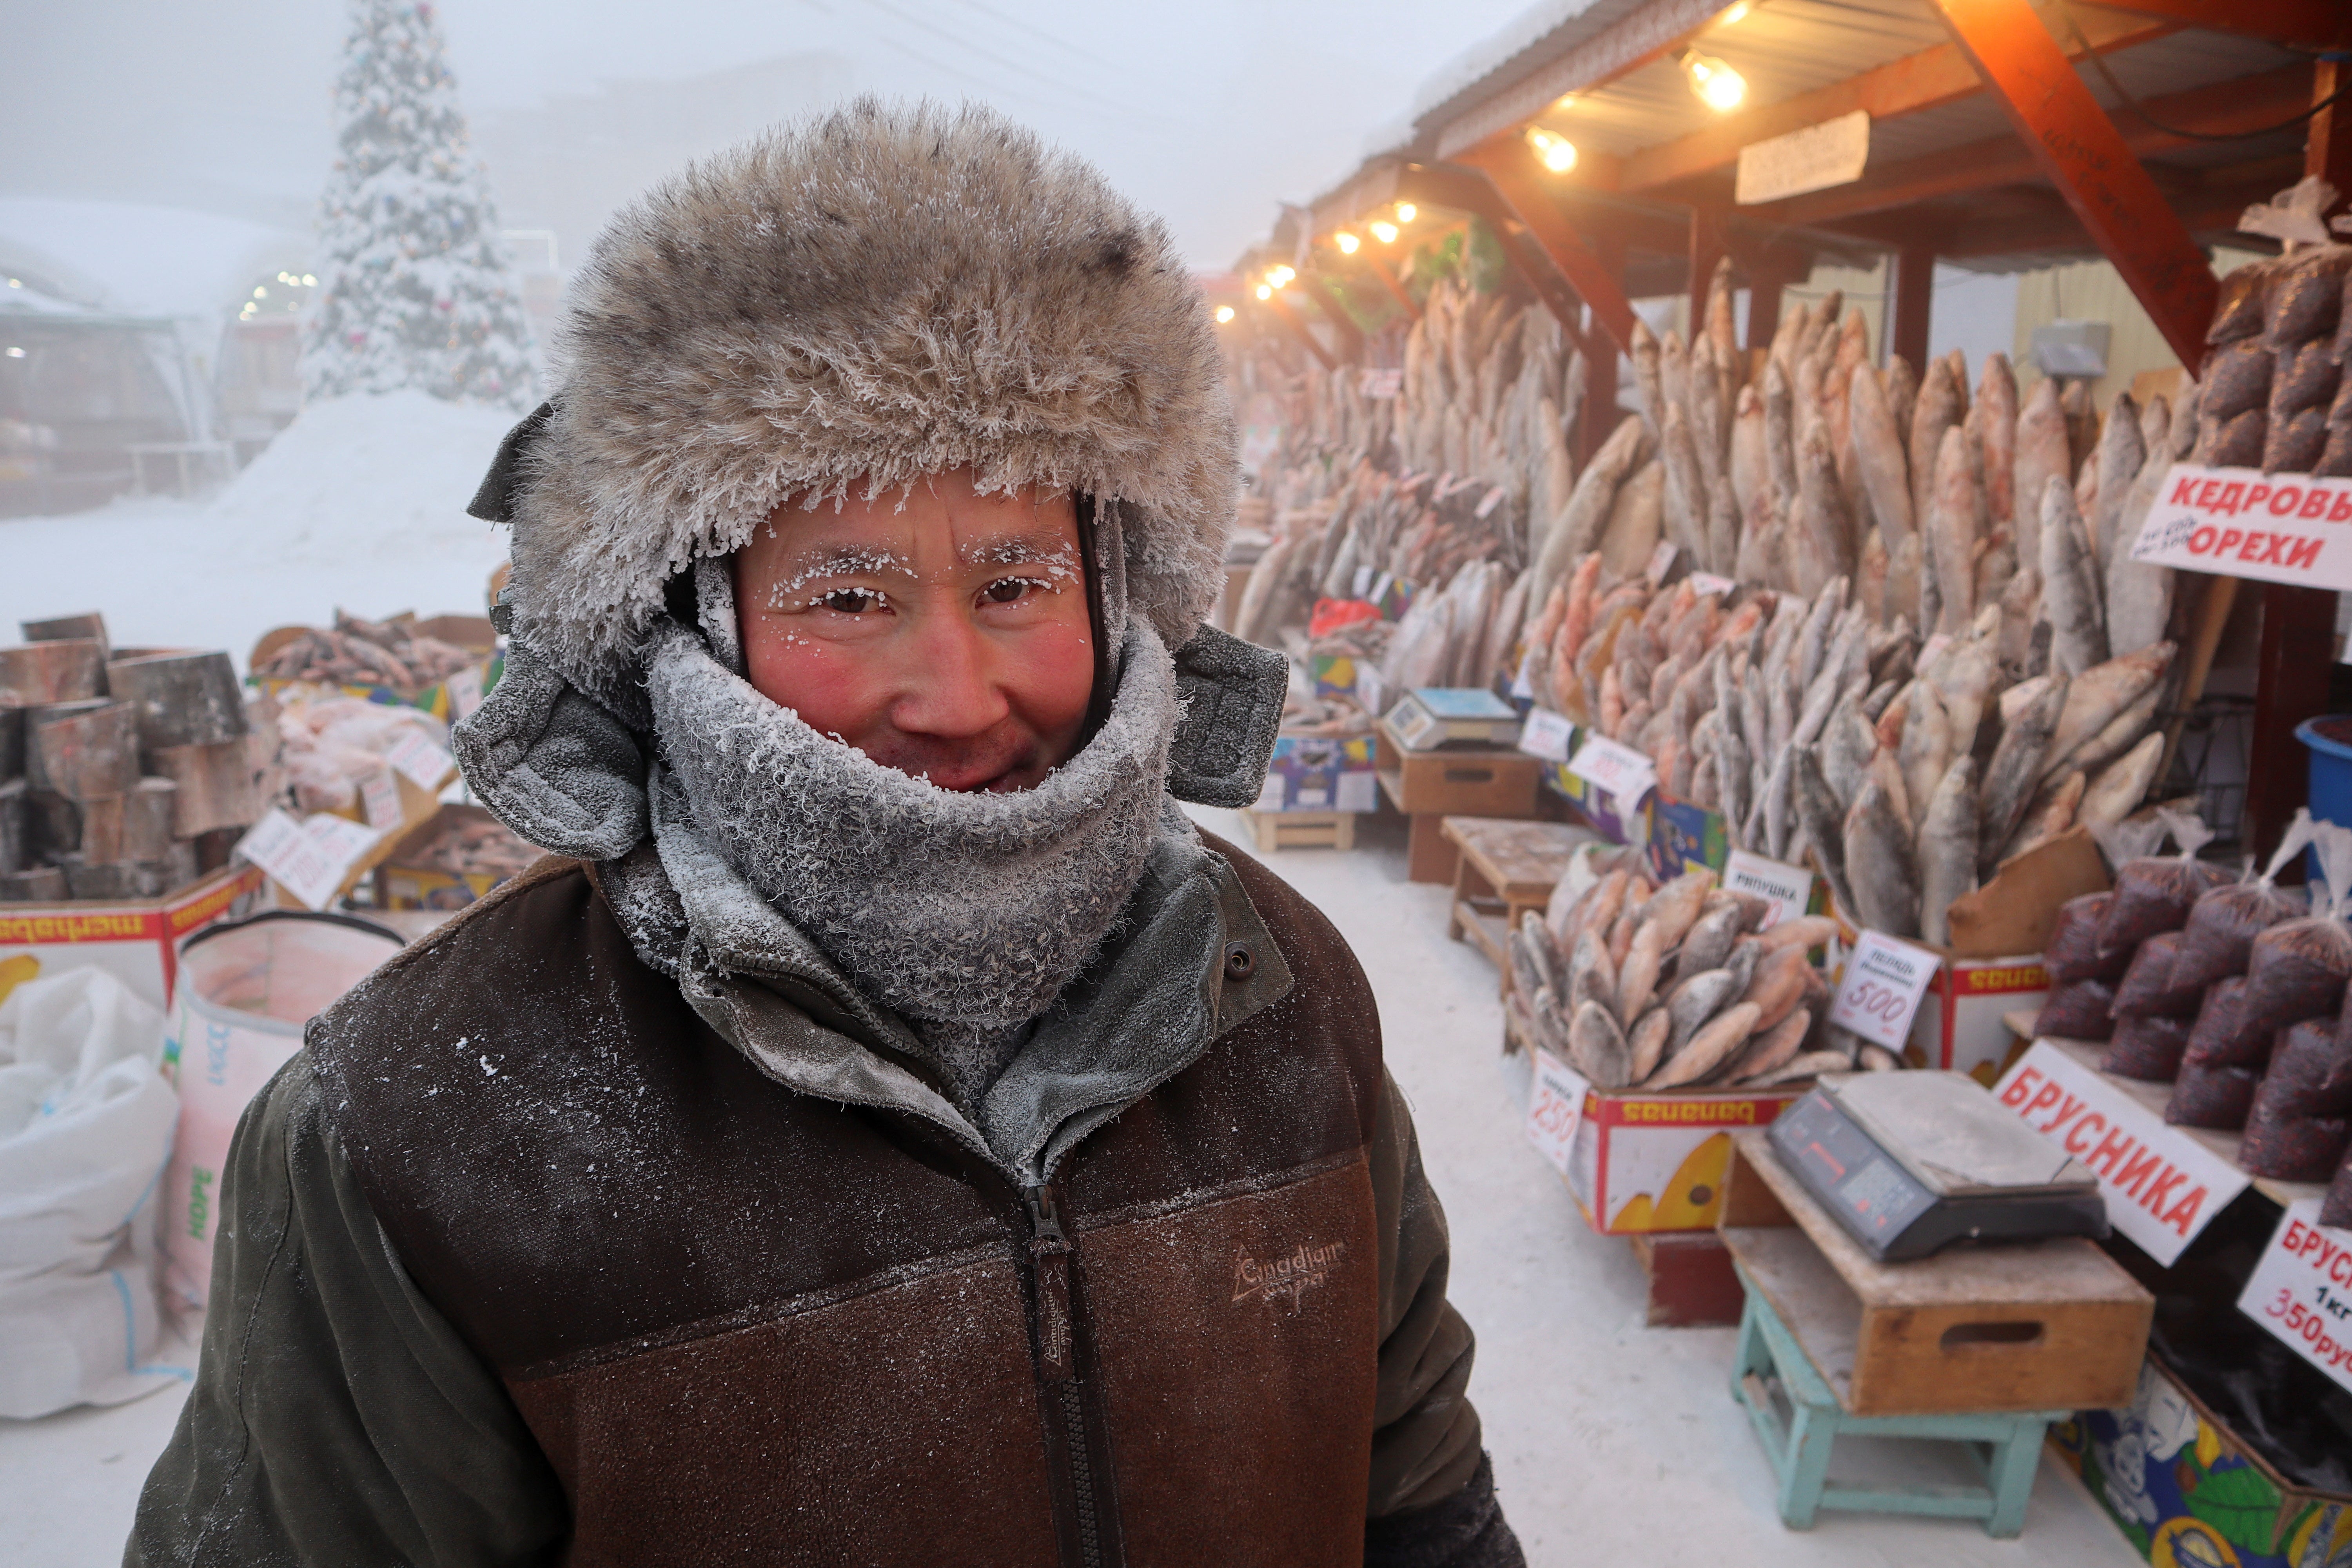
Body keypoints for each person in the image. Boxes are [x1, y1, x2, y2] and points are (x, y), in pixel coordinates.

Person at [128, 100, 1524, 1568]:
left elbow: (1418, 1496)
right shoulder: (419, 1131)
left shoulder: (1273, 993)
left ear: (1118, 600)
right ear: (687, 618)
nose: (956, 693)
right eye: (848, 597)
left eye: (1014, 583)